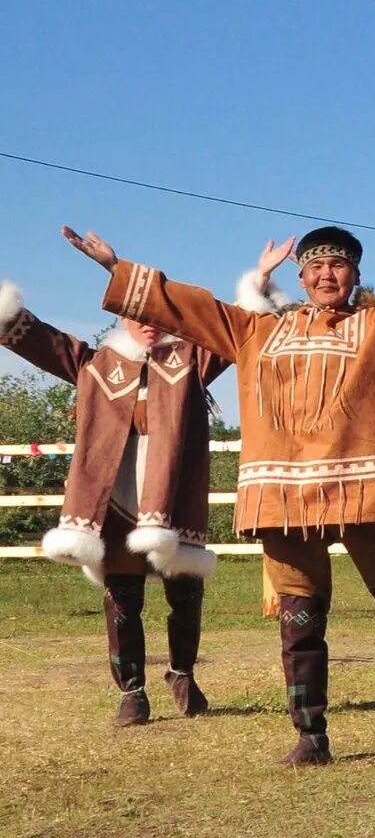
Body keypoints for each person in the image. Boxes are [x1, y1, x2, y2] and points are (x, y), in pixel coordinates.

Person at [67, 185, 375, 764]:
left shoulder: (373, 324)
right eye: (315, 266)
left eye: (338, 263)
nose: (326, 273)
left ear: (353, 273)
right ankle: (311, 736)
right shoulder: (254, 330)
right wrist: (116, 265)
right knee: (299, 615)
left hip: (359, 485)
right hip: (283, 494)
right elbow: (184, 304)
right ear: (302, 278)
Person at [0, 272, 230, 725]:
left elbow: (234, 333)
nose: (147, 323)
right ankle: (132, 692)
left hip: (174, 495)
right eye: (136, 315)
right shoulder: (96, 364)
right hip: (116, 497)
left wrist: (259, 284)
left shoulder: (192, 359)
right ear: (121, 317)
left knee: (185, 591)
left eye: (154, 314)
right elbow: (37, 338)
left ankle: (183, 674)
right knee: (123, 599)